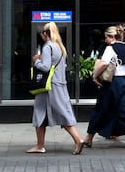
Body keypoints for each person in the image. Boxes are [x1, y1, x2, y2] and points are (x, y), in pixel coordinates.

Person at [27, 22, 85, 155]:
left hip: (48, 87)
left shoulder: (48, 47)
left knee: (41, 112)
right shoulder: (59, 47)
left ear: (45, 34)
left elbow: (46, 67)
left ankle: (76, 140)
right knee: (58, 112)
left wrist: (36, 60)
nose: (41, 36)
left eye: (42, 34)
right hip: (59, 85)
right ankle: (41, 145)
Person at [84, 26, 125, 150]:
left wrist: (95, 76)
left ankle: (89, 138)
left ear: (111, 37)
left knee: (101, 108)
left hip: (112, 83)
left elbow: (104, 63)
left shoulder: (110, 48)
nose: (105, 39)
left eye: (106, 37)